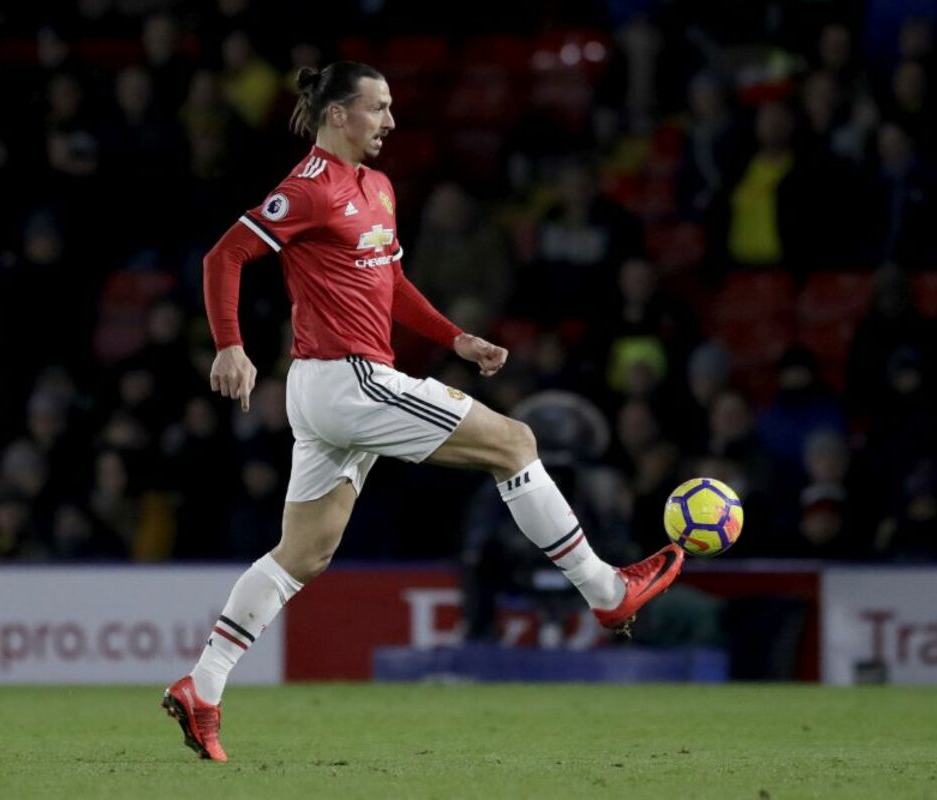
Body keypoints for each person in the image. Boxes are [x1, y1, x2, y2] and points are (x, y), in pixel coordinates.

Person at [161, 61, 685, 763]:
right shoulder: (308, 188)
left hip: (333, 388)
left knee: (304, 554)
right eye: (377, 107)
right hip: (347, 380)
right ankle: (605, 588)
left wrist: (454, 338)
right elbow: (223, 258)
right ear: (338, 114)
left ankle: (202, 686)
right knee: (515, 442)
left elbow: (392, 280)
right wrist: (230, 346)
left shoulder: (377, 187)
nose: (391, 120)